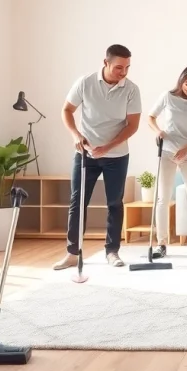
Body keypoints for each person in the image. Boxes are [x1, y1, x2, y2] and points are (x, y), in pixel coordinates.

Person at [54, 44, 141, 270]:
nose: (123, 73)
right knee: (78, 201)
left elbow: (132, 126)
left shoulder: (131, 90)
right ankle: (73, 253)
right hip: (85, 153)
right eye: (119, 68)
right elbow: (66, 110)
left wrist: (109, 146)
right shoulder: (85, 83)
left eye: (127, 68)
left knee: (114, 203)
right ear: (105, 63)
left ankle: (112, 252)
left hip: (117, 155)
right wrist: (75, 135)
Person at [146, 65, 187, 260]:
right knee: (162, 199)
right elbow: (150, 117)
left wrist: (186, 149)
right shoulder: (168, 96)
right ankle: (162, 244)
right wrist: (158, 131)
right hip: (166, 152)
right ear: (181, 80)